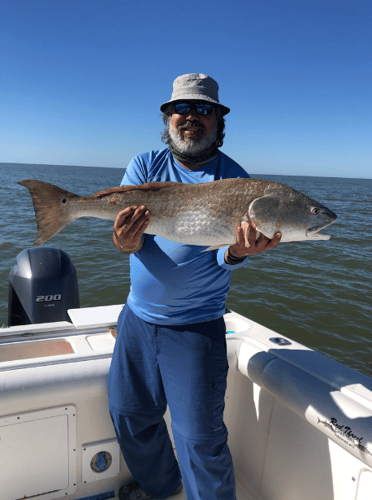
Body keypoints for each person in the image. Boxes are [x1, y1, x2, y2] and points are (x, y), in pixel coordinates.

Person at [107, 73, 281, 500]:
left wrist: (239, 253)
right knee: (129, 414)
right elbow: (127, 236)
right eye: (182, 109)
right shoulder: (146, 164)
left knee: (199, 438)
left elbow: (223, 254)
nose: (191, 118)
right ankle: (163, 488)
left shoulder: (239, 183)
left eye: (204, 110)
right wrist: (122, 241)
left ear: (218, 122)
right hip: (136, 320)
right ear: (168, 118)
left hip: (195, 326)